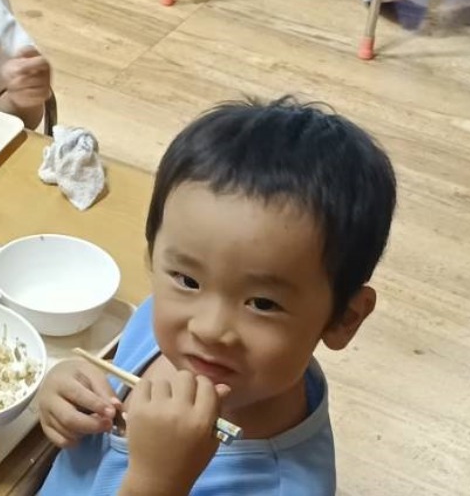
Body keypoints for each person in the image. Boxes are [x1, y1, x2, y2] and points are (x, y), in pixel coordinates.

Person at [35, 97, 397, 495]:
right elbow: (102, 386)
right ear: (153, 257)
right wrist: (68, 390)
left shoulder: (282, 486)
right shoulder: (159, 323)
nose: (208, 328)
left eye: (263, 303)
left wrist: (158, 482)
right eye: (188, 280)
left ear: (345, 318)